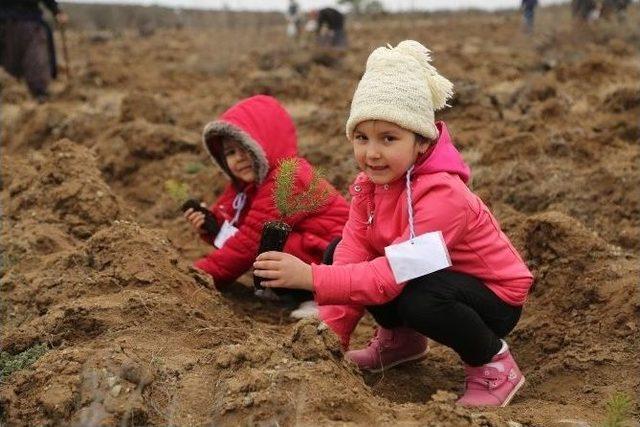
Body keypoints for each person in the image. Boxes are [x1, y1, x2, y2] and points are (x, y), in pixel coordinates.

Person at [253, 41, 534, 407]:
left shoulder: (443, 196)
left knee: (421, 298)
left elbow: (390, 277)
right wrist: (333, 340)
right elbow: (352, 258)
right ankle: (402, 342)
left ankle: (494, 364)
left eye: (389, 138)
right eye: (361, 137)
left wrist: (311, 278)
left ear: (421, 141)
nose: (372, 153)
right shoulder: (369, 187)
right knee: (340, 250)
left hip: (493, 298)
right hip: (427, 277)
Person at [185, 95, 349, 319]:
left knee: (272, 243)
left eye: (245, 148)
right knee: (269, 243)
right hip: (318, 254)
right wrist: (212, 228)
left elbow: (247, 244)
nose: (238, 159)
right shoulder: (248, 186)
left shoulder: (288, 178)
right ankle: (295, 291)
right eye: (230, 152)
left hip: (340, 260)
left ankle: (322, 299)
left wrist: (195, 276)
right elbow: (239, 231)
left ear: (266, 142)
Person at [0, 0, 68, 102]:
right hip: (4, 24)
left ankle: (40, 95)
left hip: (31, 22)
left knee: (36, 59)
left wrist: (57, 11)